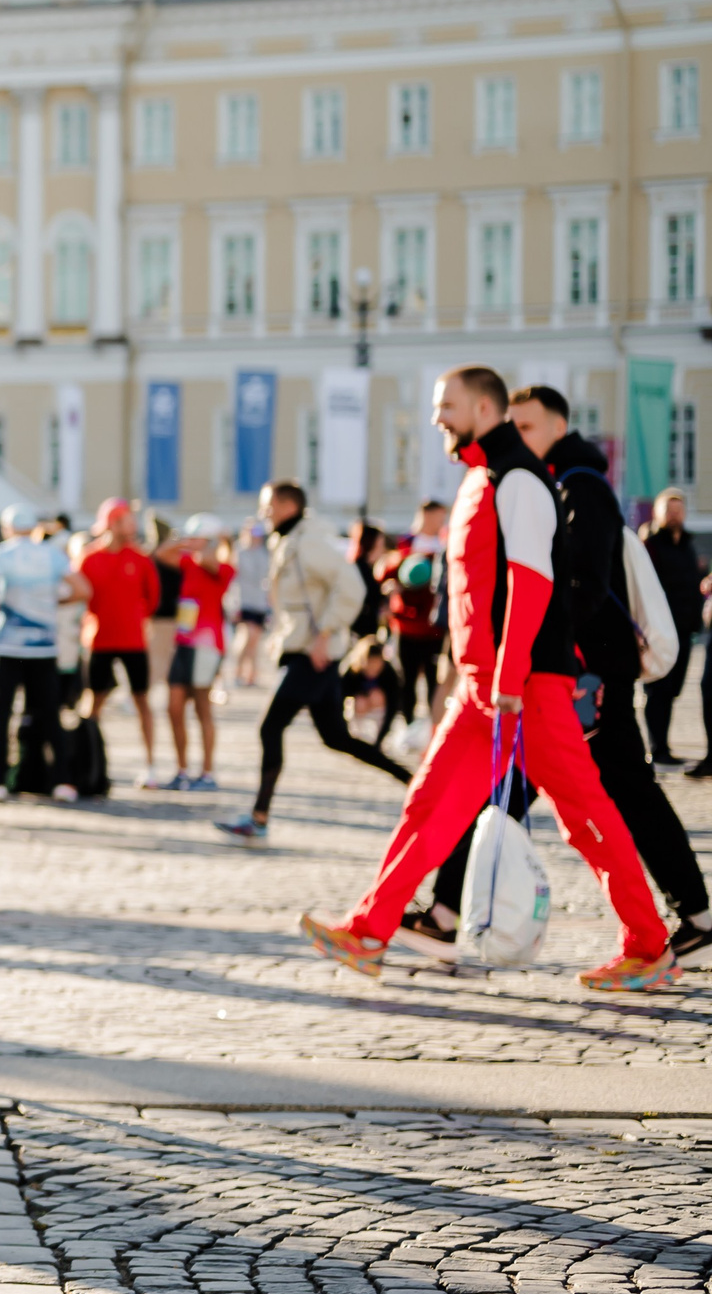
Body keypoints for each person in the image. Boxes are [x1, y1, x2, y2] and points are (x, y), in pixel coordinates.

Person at [304, 366, 674, 991]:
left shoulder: (518, 479)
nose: (436, 418)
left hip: (525, 689)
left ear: (483, 407)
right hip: (490, 692)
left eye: (445, 405)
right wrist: (485, 682)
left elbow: (531, 582)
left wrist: (507, 678)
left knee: (584, 814)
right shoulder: (484, 477)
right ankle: (370, 931)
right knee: (428, 804)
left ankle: (649, 943)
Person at [398, 390, 711, 965]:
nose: (516, 432)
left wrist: (540, 649)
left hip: (587, 672)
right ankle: (443, 912)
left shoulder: (577, 485)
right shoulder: (551, 480)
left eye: (527, 423)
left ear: (558, 424)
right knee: (529, 789)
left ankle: (689, 918)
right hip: (573, 670)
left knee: (616, 793)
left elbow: (583, 584)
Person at [212, 479, 411, 844]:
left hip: (312, 655)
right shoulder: (291, 540)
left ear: (288, 506)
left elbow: (351, 584)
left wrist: (326, 633)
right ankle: (415, 783)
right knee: (337, 737)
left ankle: (258, 818)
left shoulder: (308, 541)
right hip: (307, 650)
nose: (263, 513)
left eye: (268, 506)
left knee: (269, 728)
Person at [0, 504, 89, 803]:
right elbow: (82, 590)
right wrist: (52, 606)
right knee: (50, 714)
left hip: (8, 645)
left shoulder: (0, 553)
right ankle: (62, 780)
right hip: (44, 646)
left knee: (1, 714)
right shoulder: (52, 555)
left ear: (7, 528)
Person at [76, 500, 163, 789]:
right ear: (112, 522)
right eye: (127, 518)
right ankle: (87, 763)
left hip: (133, 641)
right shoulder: (88, 559)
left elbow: (152, 600)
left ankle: (150, 766)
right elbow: (81, 597)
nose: (133, 523)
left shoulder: (139, 559)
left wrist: (134, 618)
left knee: (142, 701)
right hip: (99, 640)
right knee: (94, 703)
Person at [164, 515, 233, 790]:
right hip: (183, 642)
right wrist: (185, 540)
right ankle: (181, 769)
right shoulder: (187, 563)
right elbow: (160, 554)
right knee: (174, 707)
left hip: (206, 643)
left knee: (203, 707)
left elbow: (210, 561)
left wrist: (206, 543)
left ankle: (207, 772)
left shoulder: (223, 567)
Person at [641, 490, 702, 768]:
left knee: (673, 690)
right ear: (657, 513)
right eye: (669, 509)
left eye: (679, 509)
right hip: (658, 631)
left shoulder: (688, 545)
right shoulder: (650, 544)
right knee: (658, 690)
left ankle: (663, 746)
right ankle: (657, 749)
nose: (675, 514)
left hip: (685, 630)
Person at [382, 501, 449, 747]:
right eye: (437, 517)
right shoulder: (405, 544)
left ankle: (433, 732)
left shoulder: (446, 542)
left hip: (434, 627)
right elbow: (386, 573)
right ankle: (408, 727)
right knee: (406, 680)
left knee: (435, 681)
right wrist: (392, 584)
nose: (440, 522)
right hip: (406, 624)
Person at [230, 517, 271, 684]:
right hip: (243, 601)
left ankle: (251, 674)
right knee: (248, 636)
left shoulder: (264, 553)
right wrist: (233, 605)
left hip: (260, 603)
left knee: (255, 641)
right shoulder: (239, 551)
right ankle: (238, 671)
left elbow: (266, 578)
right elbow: (235, 580)